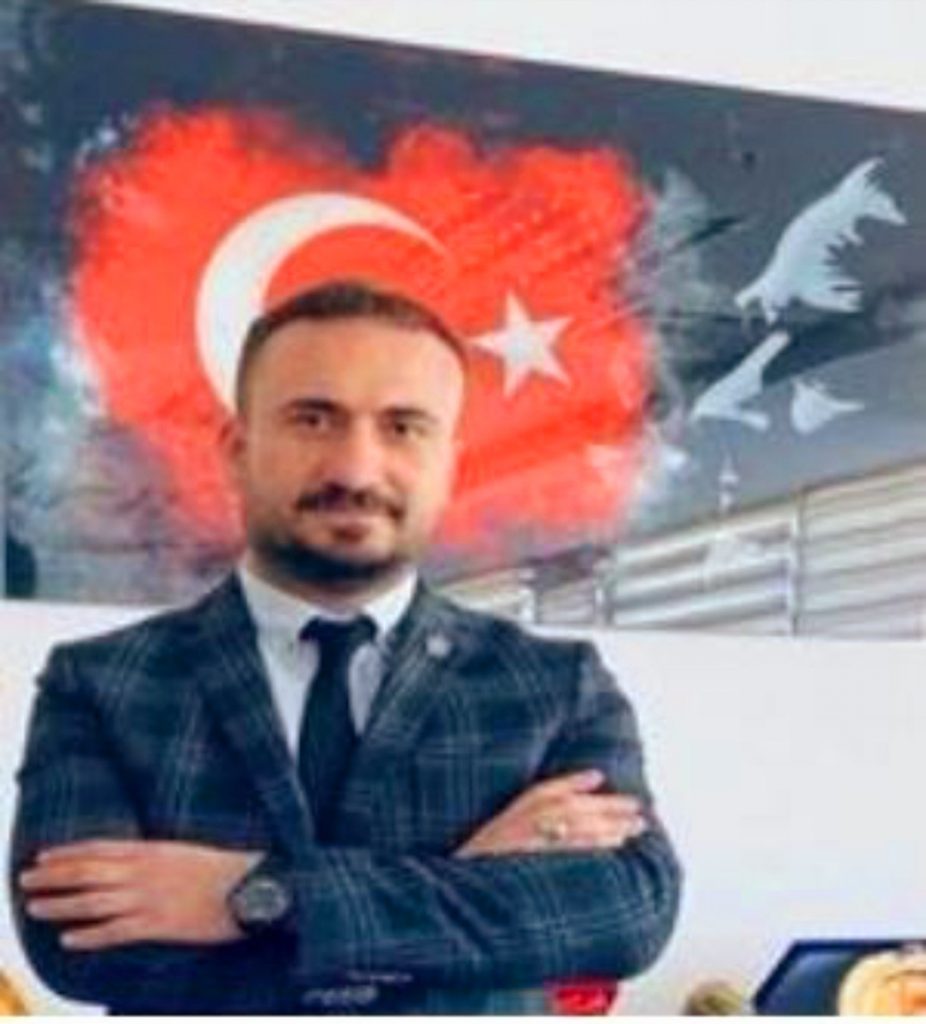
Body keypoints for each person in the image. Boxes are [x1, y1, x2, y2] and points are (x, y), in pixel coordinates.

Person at [10, 279, 681, 1014]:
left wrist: (255, 895)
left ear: (449, 462)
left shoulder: (555, 686)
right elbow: (80, 949)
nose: (356, 470)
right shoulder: (103, 683)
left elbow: (627, 914)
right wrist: (465, 883)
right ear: (237, 449)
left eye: (403, 427)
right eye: (312, 419)